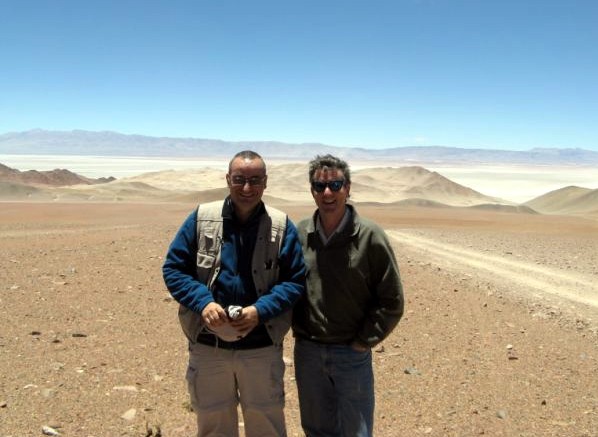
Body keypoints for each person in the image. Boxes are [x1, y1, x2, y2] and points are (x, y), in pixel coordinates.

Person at [162, 150, 306, 437]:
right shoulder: (203, 218)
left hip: (261, 347)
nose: (247, 188)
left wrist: (259, 311)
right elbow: (174, 269)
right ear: (228, 180)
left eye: (255, 180)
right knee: (214, 425)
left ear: (266, 183)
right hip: (208, 346)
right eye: (239, 179)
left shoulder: (279, 225)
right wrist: (203, 303)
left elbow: (295, 280)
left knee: (266, 424)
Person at [292, 154, 404, 437]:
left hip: (350, 355)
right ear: (312, 191)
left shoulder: (370, 236)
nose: (327, 193)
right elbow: (286, 285)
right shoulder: (301, 232)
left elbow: (392, 300)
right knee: (316, 430)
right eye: (319, 187)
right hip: (308, 351)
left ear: (348, 188)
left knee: (357, 431)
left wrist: (363, 341)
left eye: (335, 185)